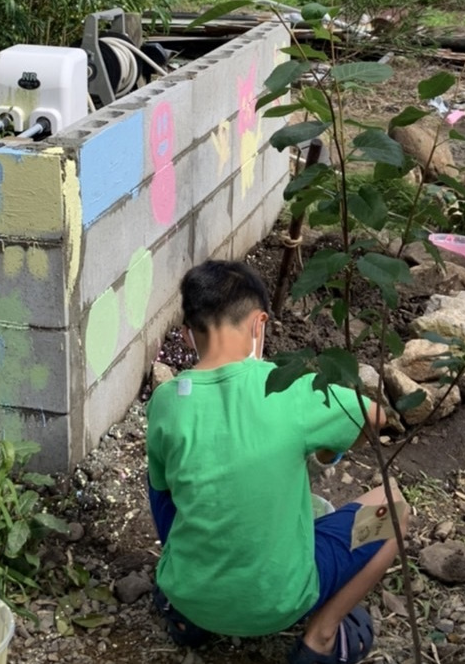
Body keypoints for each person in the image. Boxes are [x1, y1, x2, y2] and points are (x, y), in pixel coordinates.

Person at [146, 260, 409, 664]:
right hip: (281, 601)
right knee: (395, 507)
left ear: (187, 333)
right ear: (259, 324)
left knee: (161, 483)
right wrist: (330, 451)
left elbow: (166, 493)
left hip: (188, 593)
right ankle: (321, 638)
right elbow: (374, 415)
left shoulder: (166, 401)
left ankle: (186, 609)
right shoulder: (287, 387)